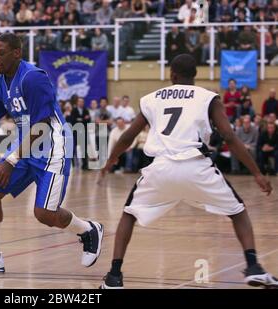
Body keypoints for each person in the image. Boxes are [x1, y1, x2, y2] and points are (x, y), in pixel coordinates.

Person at [98, 54, 277, 289]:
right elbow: (229, 136)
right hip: (196, 167)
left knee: (129, 215)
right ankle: (253, 267)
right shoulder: (208, 98)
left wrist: (111, 159)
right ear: (195, 75)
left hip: (160, 168)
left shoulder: (152, 98)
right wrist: (256, 173)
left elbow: (129, 136)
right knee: (237, 212)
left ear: (172, 74)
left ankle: (114, 276)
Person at [0, 33, 104, 275]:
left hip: (52, 145)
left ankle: (88, 230)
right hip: (26, 146)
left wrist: (10, 161)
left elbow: (42, 125)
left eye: (1, 53)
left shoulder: (33, 78)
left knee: (44, 213)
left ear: (17, 53)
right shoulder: (0, 84)